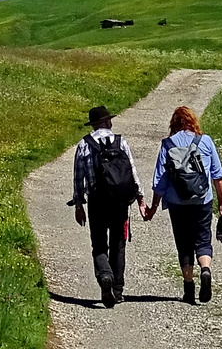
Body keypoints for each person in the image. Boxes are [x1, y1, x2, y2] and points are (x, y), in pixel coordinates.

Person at [143, 105, 222, 305]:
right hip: (202, 200)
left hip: (176, 202)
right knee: (203, 239)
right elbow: (218, 175)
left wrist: (153, 207)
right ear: (193, 121)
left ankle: (189, 287)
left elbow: (160, 182)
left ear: (173, 123)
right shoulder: (205, 141)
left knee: (183, 243)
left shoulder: (168, 144)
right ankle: (205, 270)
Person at [71, 105, 144, 308]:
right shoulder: (120, 142)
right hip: (120, 202)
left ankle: (105, 275)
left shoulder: (84, 145)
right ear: (107, 122)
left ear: (93, 124)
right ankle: (118, 291)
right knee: (118, 244)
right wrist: (140, 198)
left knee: (99, 244)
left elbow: (78, 178)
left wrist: (79, 204)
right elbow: (132, 171)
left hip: (97, 200)